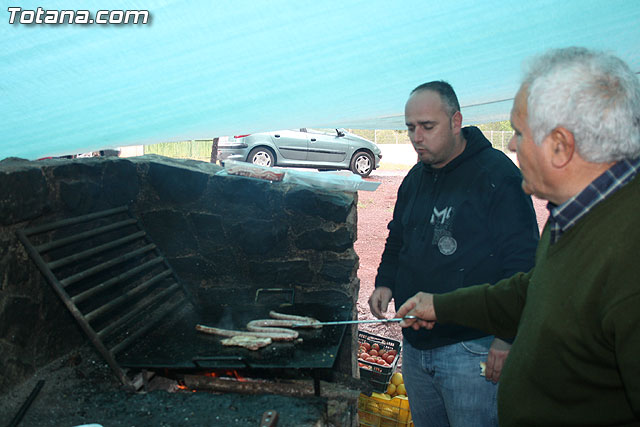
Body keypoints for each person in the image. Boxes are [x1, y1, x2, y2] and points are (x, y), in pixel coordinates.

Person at [396, 47, 640, 426]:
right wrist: (441, 305)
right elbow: (533, 290)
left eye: (519, 133)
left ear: (560, 146)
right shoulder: (576, 216)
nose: (511, 145)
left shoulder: (629, 251)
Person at [369, 81, 539, 426]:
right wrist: (385, 281)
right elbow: (398, 235)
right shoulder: (416, 177)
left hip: (472, 347)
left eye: (427, 127)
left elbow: (522, 265)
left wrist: (507, 338)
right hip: (415, 346)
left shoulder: (497, 176)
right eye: (410, 128)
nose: (417, 137)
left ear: (456, 121)